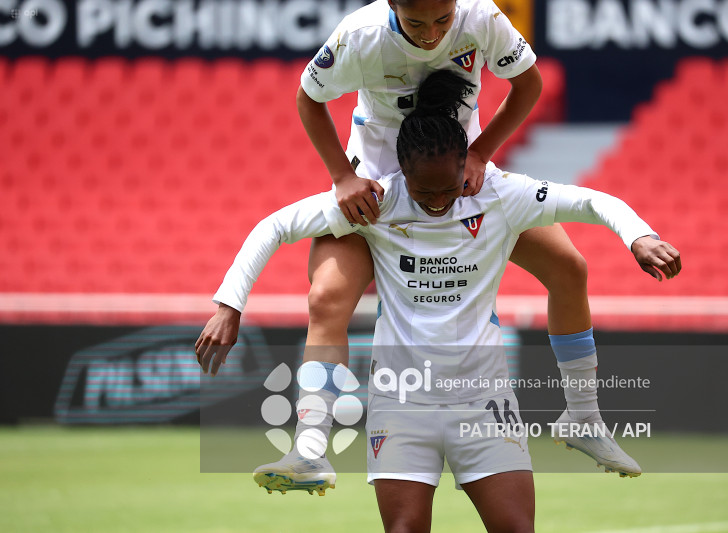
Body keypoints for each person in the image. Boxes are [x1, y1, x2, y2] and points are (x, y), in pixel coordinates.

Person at [195, 71, 681, 530]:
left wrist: (638, 236)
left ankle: (584, 415)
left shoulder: (499, 193)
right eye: (423, 190)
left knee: (516, 528)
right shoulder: (378, 201)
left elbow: (593, 201)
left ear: (466, 164)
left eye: (448, 189)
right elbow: (275, 226)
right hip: (400, 401)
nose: (436, 202)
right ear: (400, 170)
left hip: (485, 402)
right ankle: (310, 446)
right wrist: (229, 304)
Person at [287, 0, 642, 482]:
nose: (432, 34)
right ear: (393, 6)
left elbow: (529, 83)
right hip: (373, 190)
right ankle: (309, 448)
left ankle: (583, 415)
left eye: (442, 20)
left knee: (569, 268)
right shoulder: (360, 33)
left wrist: (479, 153)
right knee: (326, 297)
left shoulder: (483, 17)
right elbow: (309, 97)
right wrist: (339, 176)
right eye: (416, 22)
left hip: (458, 182)